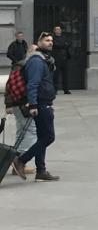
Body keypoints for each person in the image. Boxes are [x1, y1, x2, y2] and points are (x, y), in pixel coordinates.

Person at [11, 32, 60, 182]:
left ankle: (41, 171)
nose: (50, 42)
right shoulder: (37, 61)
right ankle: (21, 160)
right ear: (39, 42)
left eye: (51, 40)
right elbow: (33, 84)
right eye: (46, 40)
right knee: (49, 137)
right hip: (40, 103)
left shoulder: (44, 60)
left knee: (41, 137)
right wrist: (33, 104)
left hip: (44, 102)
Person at [4, 39, 37, 176]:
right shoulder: (27, 65)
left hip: (17, 103)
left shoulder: (20, 64)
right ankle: (20, 160)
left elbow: (9, 85)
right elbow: (11, 85)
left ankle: (14, 160)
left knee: (21, 131)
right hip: (23, 104)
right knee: (31, 132)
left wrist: (9, 104)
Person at [51, 25, 72, 95]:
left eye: (59, 29)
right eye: (57, 29)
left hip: (65, 58)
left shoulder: (64, 37)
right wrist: (63, 45)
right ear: (54, 31)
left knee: (65, 75)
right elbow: (56, 45)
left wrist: (63, 45)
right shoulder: (52, 38)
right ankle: (55, 89)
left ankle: (66, 89)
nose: (58, 30)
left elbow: (69, 43)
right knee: (56, 75)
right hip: (57, 59)